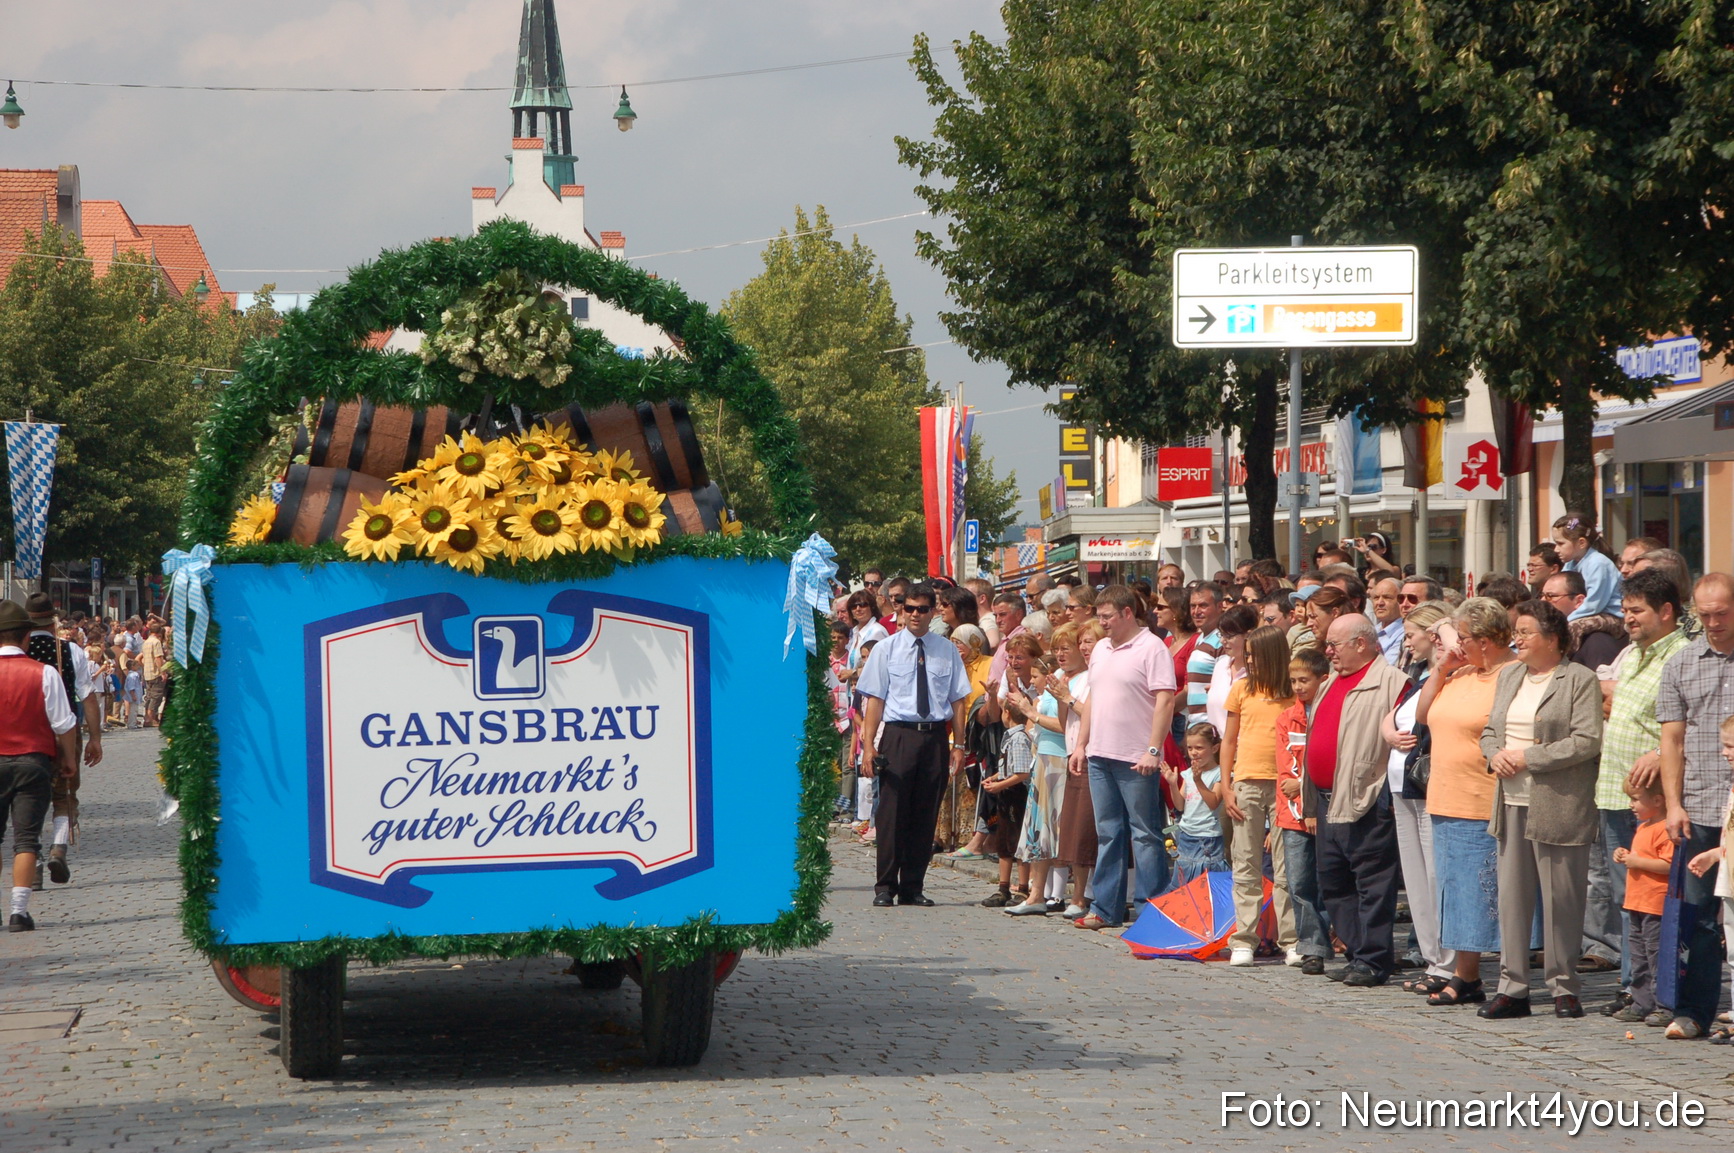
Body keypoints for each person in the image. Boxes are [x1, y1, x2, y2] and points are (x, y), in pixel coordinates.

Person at [1477, 599, 1604, 1020]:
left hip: (1558, 805)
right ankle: (1512, 988)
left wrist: (1530, 757)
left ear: (1553, 639)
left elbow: (1586, 741)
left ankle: (1563, 987)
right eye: (1517, 630)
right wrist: (1495, 754)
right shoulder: (1510, 674)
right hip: (1510, 801)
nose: (1517, 638)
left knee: (1561, 901)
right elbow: (1491, 730)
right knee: (1512, 900)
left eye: (1526, 631)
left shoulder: (1578, 679)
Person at [1588, 569, 1688, 1014]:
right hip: (1617, 791)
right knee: (1628, 897)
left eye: (1636, 610)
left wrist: (1655, 752)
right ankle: (1634, 987)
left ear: (1666, 611)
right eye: (1624, 609)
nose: (1627, 618)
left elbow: (1684, 726)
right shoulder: (1636, 653)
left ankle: (1653, 990)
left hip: (1654, 800)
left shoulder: (1680, 655)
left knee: (1653, 899)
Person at [1415, 597, 1518, 1006]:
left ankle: (1504, 978)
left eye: (1463, 638)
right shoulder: (1461, 673)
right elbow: (1423, 715)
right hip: (1445, 797)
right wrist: (1442, 668)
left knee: (1486, 894)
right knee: (1456, 893)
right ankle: (1467, 975)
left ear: (1486, 639)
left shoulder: (1511, 675)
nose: (1455, 645)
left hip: (1483, 798)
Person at [1301, 615, 1409, 986]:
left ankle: (1374, 959)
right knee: (1333, 883)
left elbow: (1404, 739)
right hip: (1328, 798)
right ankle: (1359, 951)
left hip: (1366, 795)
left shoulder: (1394, 683)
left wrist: (1385, 793)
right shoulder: (1331, 681)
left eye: (1335, 644)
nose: (1327, 651)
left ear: (1362, 644)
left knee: (1373, 883)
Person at [855, 583, 973, 907]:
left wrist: (959, 745)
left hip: (934, 735)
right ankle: (885, 886)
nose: (916, 615)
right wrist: (869, 746)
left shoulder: (946, 649)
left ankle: (912, 886)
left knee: (924, 813)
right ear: (901, 611)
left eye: (923, 609)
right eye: (910, 608)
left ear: (933, 612)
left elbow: (959, 700)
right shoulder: (886, 649)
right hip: (898, 734)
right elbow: (875, 700)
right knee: (892, 814)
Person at [1070, 585, 1179, 930]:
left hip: (1135, 756)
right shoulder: (1101, 648)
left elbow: (1165, 699)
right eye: (1099, 617)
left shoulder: (1152, 647)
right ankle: (1106, 907)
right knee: (1108, 833)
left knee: (1145, 833)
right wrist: (1080, 745)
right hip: (1100, 752)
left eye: (1107, 617)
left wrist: (1152, 748)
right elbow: (1094, 700)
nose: (1101, 624)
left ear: (1127, 613)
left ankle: (1151, 909)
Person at [1656, 573, 1734, 1038]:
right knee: (1701, 917)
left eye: (1721, 613)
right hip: (1703, 804)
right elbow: (1671, 738)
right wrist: (1672, 804)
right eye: (1704, 615)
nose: (1713, 623)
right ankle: (1696, 1010)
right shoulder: (1682, 663)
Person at [1380, 600, 1456, 995]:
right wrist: (1387, 731)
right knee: (1415, 877)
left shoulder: (1449, 673)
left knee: (1433, 874)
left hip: (1427, 787)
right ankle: (1432, 960)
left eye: (1411, 635)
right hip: (1399, 785)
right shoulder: (1414, 675)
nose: (1406, 643)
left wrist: (1445, 635)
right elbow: (1393, 714)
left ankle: (1448, 962)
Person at [0, 599, 79, 931]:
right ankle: (19, 912)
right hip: (33, 762)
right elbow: (63, 724)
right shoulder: (44, 673)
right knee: (26, 839)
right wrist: (69, 760)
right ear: (26, 638)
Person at [1221, 624, 1296, 965]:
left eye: (1253, 654)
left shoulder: (1293, 692)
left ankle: (1290, 938)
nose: (1247, 660)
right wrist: (1226, 784)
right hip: (1248, 780)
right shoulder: (1242, 689)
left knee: (1286, 865)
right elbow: (1229, 740)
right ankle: (1244, 939)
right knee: (1246, 861)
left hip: (1285, 784)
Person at [24, 593, 101, 884]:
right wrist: (95, 738)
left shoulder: (19, 651)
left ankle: (32, 864)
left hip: (27, 732)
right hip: (64, 730)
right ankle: (58, 847)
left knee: (27, 801)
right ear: (54, 621)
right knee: (65, 795)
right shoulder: (70, 651)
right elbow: (88, 697)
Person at [1276, 647, 1331, 973]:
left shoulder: (1330, 713)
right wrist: (1300, 802)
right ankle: (1311, 945)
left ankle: (1329, 940)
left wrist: (1308, 795)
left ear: (1321, 680)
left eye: (1304, 680)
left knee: (1327, 882)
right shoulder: (1286, 718)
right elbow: (1286, 773)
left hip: (1322, 809)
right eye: (1293, 680)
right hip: (1292, 814)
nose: (1297, 686)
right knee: (1299, 884)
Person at [1005, 658, 1069, 915]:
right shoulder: (1043, 698)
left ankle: (1056, 894)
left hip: (1059, 759)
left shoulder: (1059, 693)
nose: (1031, 681)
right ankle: (1038, 893)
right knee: (1039, 828)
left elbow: (1065, 727)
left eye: (1035, 676)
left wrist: (1031, 713)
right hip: (1042, 759)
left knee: (1055, 828)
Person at [1612, 774, 1674, 1025]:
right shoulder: (1643, 826)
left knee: (1656, 957)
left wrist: (1637, 862)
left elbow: (1668, 865)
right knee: (1638, 957)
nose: (1631, 805)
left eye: (1636, 799)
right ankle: (1641, 1002)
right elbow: (1642, 855)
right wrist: (1626, 854)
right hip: (1636, 902)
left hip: (1655, 905)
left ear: (1658, 800)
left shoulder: (1666, 827)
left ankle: (1663, 1005)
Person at [1053, 620, 1102, 917]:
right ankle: (1077, 894)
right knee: (1072, 829)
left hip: (1094, 753)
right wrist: (1062, 695)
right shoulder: (1076, 678)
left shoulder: (1094, 676)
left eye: (1089, 641)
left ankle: (1083, 896)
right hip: (1073, 751)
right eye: (1081, 641)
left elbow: (1094, 713)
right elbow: (1065, 723)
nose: (1084, 647)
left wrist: (1067, 697)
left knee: (1086, 830)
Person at [979, 693, 1034, 908]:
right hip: (1006, 794)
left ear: (1007, 713)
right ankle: (1002, 887)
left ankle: (1022, 888)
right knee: (1003, 840)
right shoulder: (1010, 736)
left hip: (1016, 795)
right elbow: (1009, 767)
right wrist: (995, 777)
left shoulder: (1019, 738)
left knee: (1016, 840)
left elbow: (1021, 773)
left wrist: (999, 785)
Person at [1166, 722, 1228, 885]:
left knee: (1205, 881)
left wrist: (1198, 781)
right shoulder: (1188, 774)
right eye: (1190, 748)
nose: (1194, 753)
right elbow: (1180, 806)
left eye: (1199, 748)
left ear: (1214, 748)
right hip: (1186, 834)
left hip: (1207, 837)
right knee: (1185, 880)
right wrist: (1173, 784)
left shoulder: (1219, 773)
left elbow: (1214, 802)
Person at [1541, 572, 1628, 671]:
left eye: (1550, 596)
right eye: (1542, 595)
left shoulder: (1597, 642)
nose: (1543, 601)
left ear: (1578, 601)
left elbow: (1603, 683)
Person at [1552, 512, 1623, 620]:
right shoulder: (1570, 564)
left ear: (1581, 543)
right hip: (1588, 615)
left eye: (1560, 544)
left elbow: (1593, 605)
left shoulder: (1598, 564)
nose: (1556, 550)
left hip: (1610, 617)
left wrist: (1566, 620)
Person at [1205, 605, 1257, 735]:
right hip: (1216, 747)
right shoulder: (1221, 666)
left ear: (1248, 635)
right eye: (1221, 634)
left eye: (1229, 636)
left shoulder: (1258, 672)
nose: (1223, 641)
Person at [1184, 582, 1227, 722]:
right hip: (1195, 724)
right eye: (1192, 606)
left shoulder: (1224, 641)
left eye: (1203, 605)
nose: (1196, 611)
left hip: (1211, 727)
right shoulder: (1200, 639)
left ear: (1220, 606)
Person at [988, 592, 1029, 683]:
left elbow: (1014, 678)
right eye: (995, 616)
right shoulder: (1007, 638)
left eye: (1002, 615)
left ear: (1018, 614)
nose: (998, 620)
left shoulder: (1021, 639)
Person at [1370, 577, 1405, 665]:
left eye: (1387, 597)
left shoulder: (1405, 633)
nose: (1380, 603)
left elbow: (1386, 667)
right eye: (1376, 598)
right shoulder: (1372, 630)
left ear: (1401, 601)